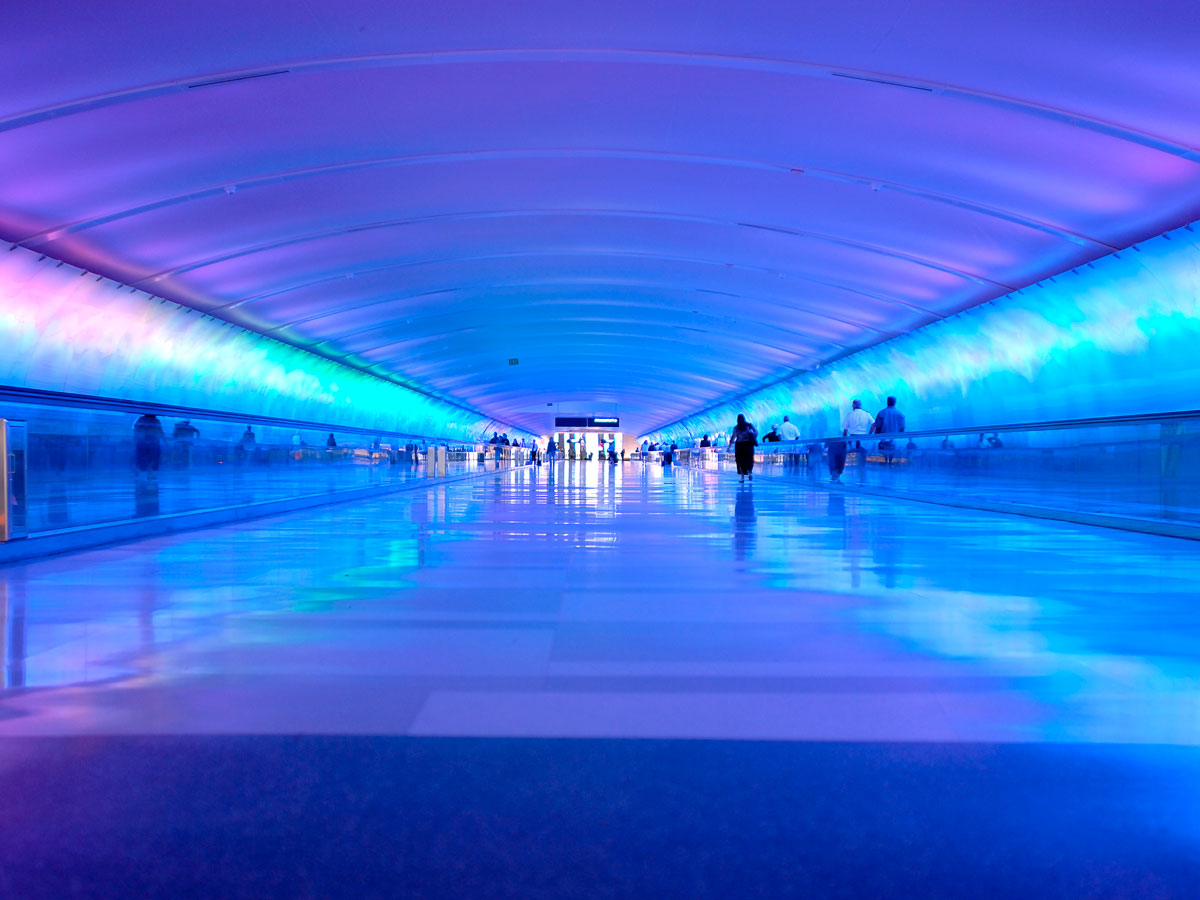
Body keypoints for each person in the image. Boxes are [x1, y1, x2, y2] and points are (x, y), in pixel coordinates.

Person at [830, 400, 872, 482]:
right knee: (862, 454)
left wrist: (844, 440)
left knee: (845, 453)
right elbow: (873, 424)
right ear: (861, 405)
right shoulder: (866, 414)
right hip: (863, 438)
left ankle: (838, 472)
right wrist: (870, 434)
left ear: (853, 406)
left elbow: (845, 429)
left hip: (852, 438)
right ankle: (862, 472)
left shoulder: (850, 415)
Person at [872, 397, 905, 465]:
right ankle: (891, 465)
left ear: (887, 402)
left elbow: (877, 428)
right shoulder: (900, 414)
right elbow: (902, 429)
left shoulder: (881, 413)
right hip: (895, 441)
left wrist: (876, 438)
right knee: (892, 457)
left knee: (883, 457)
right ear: (895, 402)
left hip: (883, 440)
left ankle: (885, 466)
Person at [133, 413, 164, 479]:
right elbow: (160, 432)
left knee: (142, 458)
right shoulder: (156, 421)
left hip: (142, 442)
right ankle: (151, 474)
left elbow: (136, 430)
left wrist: (136, 438)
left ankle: (142, 473)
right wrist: (165, 442)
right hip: (153, 442)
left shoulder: (141, 419)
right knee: (153, 458)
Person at [729, 413, 758, 483]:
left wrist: (729, 447)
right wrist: (752, 436)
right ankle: (750, 473)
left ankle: (742, 477)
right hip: (748, 445)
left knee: (740, 461)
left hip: (739, 446)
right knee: (749, 460)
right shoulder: (749, 425)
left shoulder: (736, 428)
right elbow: (756, 432)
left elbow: (733, 437)